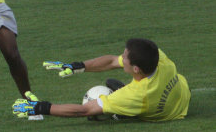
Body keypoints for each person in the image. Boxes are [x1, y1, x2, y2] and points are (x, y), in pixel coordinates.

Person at [12, 38, 191, 122]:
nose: (121, 56)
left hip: (166, 113)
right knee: (126, 99)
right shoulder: (158, 57)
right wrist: (77, 66)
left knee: (106, 109)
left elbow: (83, 110)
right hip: (183, 94)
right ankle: (119, 108)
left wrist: (41, 107)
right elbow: (113, 61)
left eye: (125, 56)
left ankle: (119, 112)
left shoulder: (135, 95)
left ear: (136, 69)